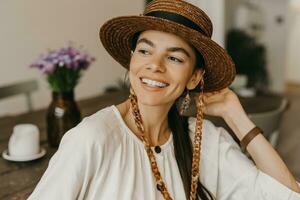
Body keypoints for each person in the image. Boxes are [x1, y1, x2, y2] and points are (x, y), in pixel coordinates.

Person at [28, 0, 300, 199]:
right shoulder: (92, 138)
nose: (154, 65)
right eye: (145, 51)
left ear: (194, 77)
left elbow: (284, 195)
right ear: (132, 59)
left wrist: (235, 116)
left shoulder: (202, 139)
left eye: (174, 57)